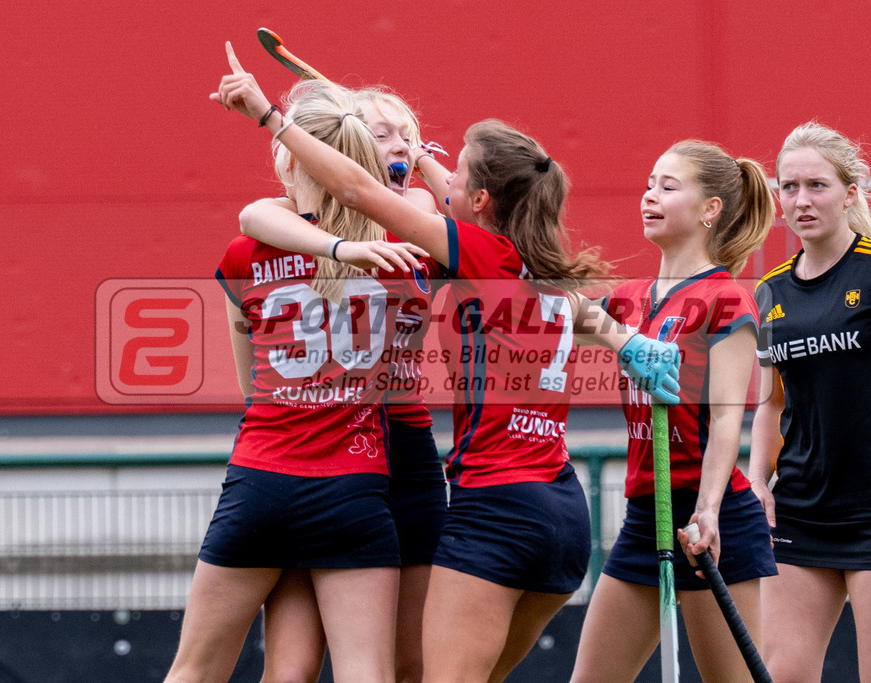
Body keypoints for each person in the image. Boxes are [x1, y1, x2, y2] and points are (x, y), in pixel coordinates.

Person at [211, 41, 681, 682]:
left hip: (487, 505)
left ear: (480, 199)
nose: (436, 168)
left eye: (454, 170)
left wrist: (274, 117)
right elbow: (264, 212)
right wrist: (629, 346)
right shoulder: (538, 267)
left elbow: (356, 189)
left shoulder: (461, 250)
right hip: (564, 515)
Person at [165, 78, 427, 683]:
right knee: (368, 671)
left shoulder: (247, 251)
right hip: (356, 484)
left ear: (288, 159)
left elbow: (248, 378)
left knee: (197, 669)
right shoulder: (408, 246)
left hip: (261, 475)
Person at [240, 84, 448, 683]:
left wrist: (422, 160)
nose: (399, 145)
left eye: (407, 134)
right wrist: (338, 239)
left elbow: (466, 213)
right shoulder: (287, 228)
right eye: (379, 135)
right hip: (322, 452)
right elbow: (254, 214)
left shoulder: (424, 230)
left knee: (409, 662)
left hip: (404, 447)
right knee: (294, 664)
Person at [569, 141, 778, 682]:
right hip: (645, 517)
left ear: (710, 209)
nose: (649, 197)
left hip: (712, 520)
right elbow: (553, 306)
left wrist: (707, 511)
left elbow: (730, 419)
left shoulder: (726, 297)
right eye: (648, 184)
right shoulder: (629, 298)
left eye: (668, 186)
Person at [748, 121, 871, 683]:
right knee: (782, 675)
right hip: (800, 511)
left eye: (817, 185)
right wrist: (758, 483)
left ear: (850, 192)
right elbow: (769, 403)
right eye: (789, 187)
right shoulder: (770, 292)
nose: (802, 201)